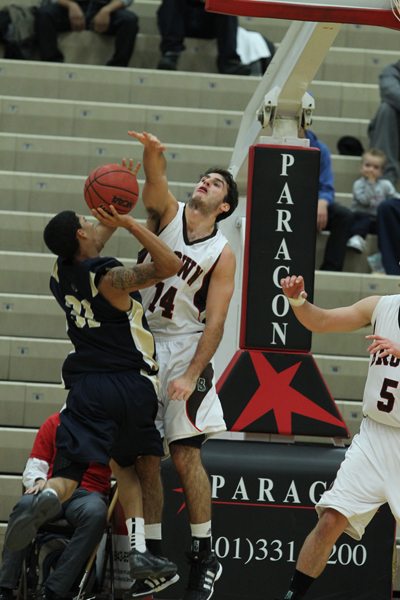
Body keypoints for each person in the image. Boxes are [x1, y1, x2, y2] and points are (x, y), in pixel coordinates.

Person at [4, 180, 182, 589]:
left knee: (76, 474)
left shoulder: (60, 273)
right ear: (80, 235)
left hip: (86, 387)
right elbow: (169, 265)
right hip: (130, 385)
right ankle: (139, 551)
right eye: (87, 221)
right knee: (132, 468)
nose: (92, 223)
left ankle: (48, 498)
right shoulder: (110, 280)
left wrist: (115, 204)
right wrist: (132, 224)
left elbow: (92, 239)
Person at [123, 131, 237, 600]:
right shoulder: (167, 213)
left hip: (187, 347)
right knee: (145, 457)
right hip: (142, 340)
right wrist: (152, 155)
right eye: (205, 177)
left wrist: (192, 375)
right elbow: (155, 186)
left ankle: (204, 556)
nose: (206, 182)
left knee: (186, 453)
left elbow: (217, 322)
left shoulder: (222, 253)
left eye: (216, 183)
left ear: (224, 207)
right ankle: (151, 557)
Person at [275, 272, 400, 600]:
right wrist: (297, 301)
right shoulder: (381, 306)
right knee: (330, 521)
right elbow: (321, 322)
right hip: (375, 437)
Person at [0, 412, 111, 600]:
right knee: (24, 505)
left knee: (97, 514)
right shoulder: (54, 422)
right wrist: (39, 480)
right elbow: (35, 464)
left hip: (88, 494)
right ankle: (5, 587)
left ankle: (54, 589)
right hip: (52, 490)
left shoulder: (109, 425)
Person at [299, 127, 352, 271]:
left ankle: (331, 269)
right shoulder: (275, 146)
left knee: (344, 216)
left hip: (313, 204)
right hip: (289, 205)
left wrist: (322, 202)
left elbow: (327, 186)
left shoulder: (321, 149)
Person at [156, 0, 251, 75]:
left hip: (210, 19)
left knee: (226, 3)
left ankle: (229, 61)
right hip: (182, 19)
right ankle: (170, 54)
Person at [34, 0, 138, 66]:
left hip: (104, 9)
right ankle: (52, 62)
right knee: (43, 14)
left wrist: (106, 10)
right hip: (69, 8)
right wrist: (71, 5)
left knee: (129, 20)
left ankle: (118, 66)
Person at [368, 59, 400, 185]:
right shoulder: (392, 71)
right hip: (394, 135)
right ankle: (384, 178)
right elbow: (391, 92)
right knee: (387, 109)